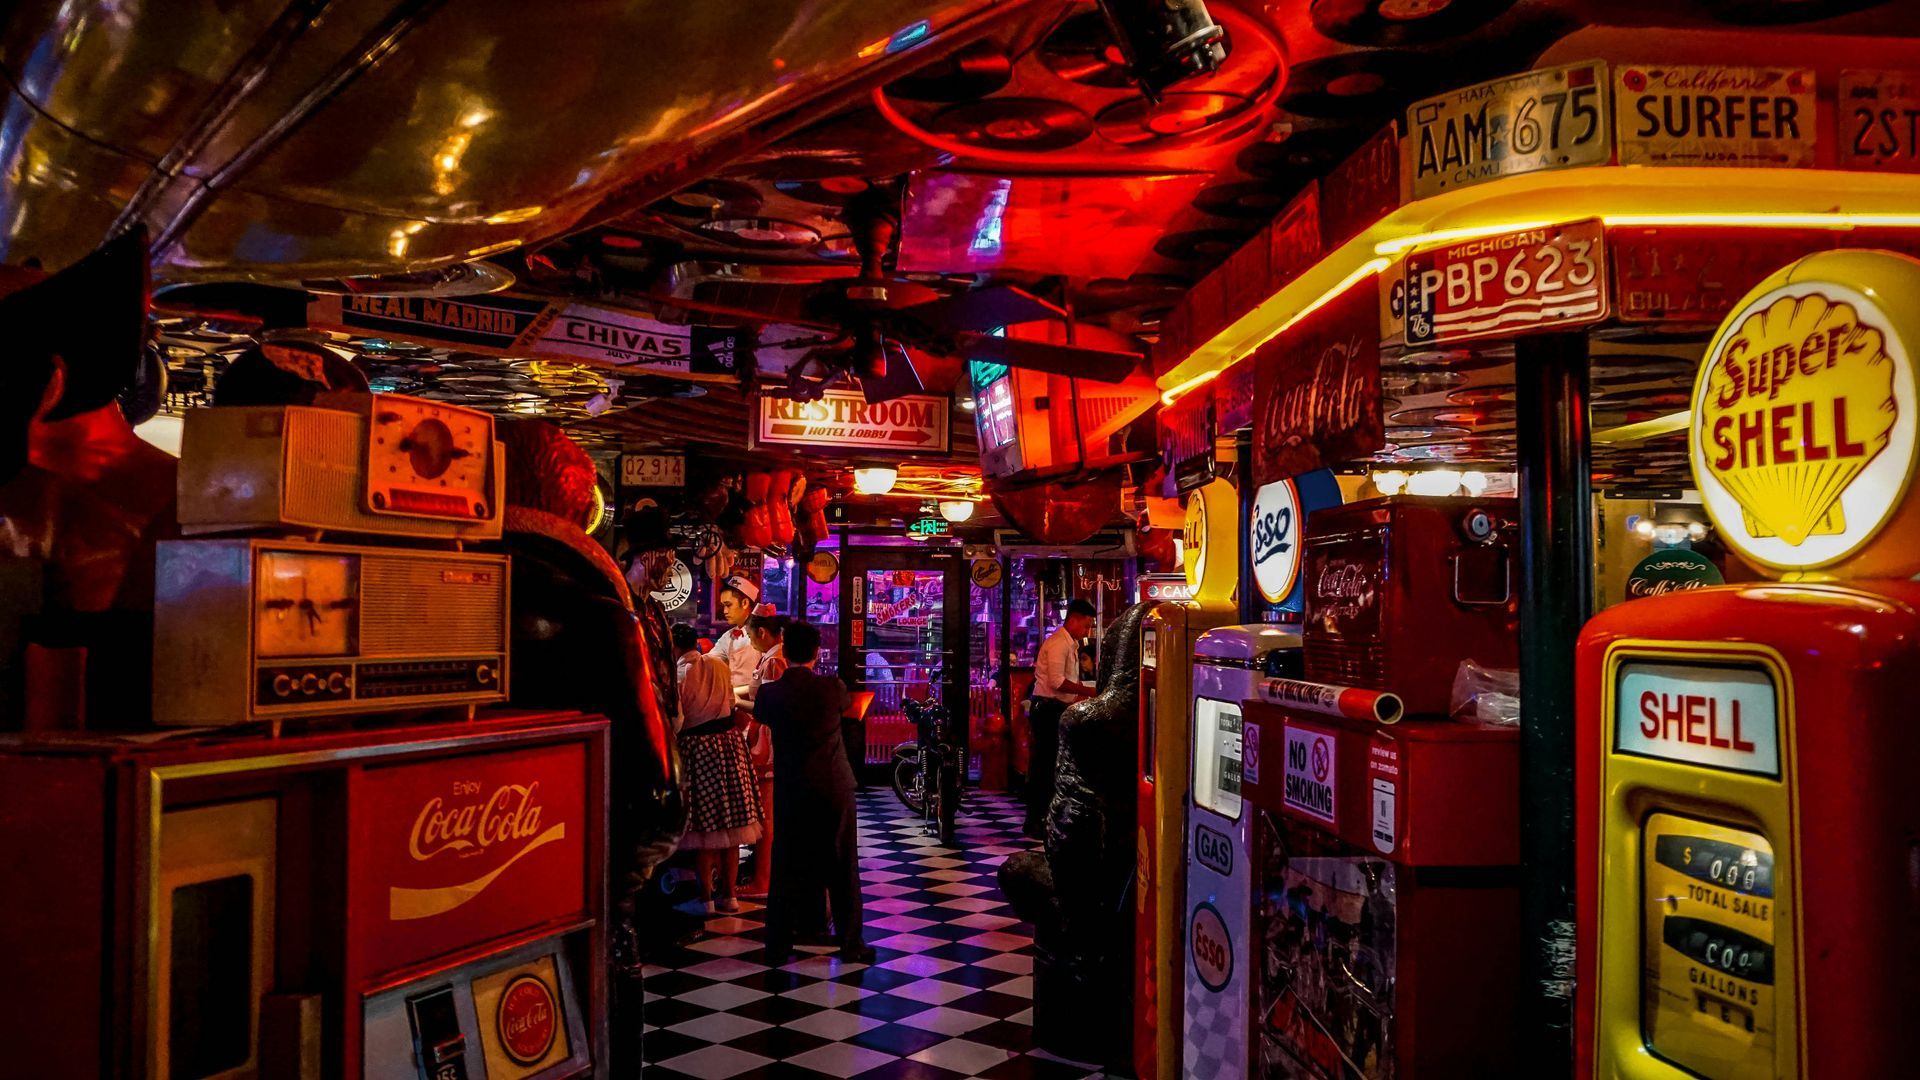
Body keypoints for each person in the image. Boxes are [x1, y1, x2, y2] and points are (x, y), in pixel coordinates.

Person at [755, 620, 872, 964]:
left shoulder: (770, 693)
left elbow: (761, 715)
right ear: (817, 653)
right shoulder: (832, 688)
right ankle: (851, 943)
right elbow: (847, 711)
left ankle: (777, 945)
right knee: (842, 865)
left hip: (792, 787)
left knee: (786, 863)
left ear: (785, 650)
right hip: (833, 786)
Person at [672, 622, 761, 915]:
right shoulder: (719, 666)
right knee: (732, 828)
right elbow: (732, 704)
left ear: (674, 647)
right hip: (729, 745)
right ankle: (730, 896)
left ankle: (706, 899)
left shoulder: (679, 674)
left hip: (697, 748)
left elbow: (678, 721)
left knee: (705, 831)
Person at [1026, 598, 1097, 837]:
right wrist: (1089, 691)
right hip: (1047, 709)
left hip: (1054, 708)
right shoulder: (1059, 644)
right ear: (1074, 620)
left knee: (1050, 765)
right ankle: (1035, 822)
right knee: (1044, 766)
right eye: (1086, 626)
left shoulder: (1071, 645)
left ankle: (1044, 819)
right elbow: (1057, 682)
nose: (1087, 631)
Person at [622, 504, 681, 736]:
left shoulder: (654, 608)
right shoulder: (620, 603)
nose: (669, 571)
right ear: (646, 558)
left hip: (659, 723)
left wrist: (674, 707)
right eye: (665, 564)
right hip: (635, 724)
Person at [741, 609, 787, 896]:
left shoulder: (774, 662)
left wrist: (734, 702)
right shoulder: (769, 658)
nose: (749, 641)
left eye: (749, 635)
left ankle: (763, 880)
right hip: (764, 739)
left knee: (767, 816)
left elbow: (767, 707)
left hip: (767, 743)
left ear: (761, 632)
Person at [709, 575, 762, 692]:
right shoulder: (728, 636)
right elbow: (711, 660)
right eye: (723, 606)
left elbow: (766, 681)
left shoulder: (762, 635)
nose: (725, 611)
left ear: (744, 603)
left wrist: (731, 694)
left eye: (728, 605)